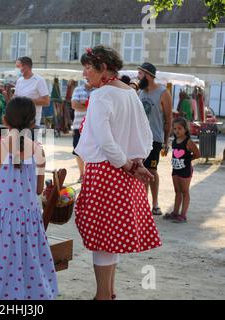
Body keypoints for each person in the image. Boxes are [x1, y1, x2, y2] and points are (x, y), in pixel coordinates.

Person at [75, 45, 161, 300]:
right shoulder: (130, 93)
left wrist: (125, 163)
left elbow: (105, 140)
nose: (84, 74)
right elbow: (146, 135)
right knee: (112, 236)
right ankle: (109, 293)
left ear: (102, 67)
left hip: (107, 171)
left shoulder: (103, 95)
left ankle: (102, 296)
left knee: (102, 237)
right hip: (127, 172)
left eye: (87, 68)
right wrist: (137, 162)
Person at [0, 97, 58, 300]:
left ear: (4, 120)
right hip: (30, 220)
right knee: (27, 265)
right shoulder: (38, 150)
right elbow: (38, 189)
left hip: (0, 220)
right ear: (32, 123)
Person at [138, 62, 173, 216]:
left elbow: (169, 117)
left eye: (140, 74)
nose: (138, 77)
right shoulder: (140, 92)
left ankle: (155, 203)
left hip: (155, 139)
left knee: (152, 170)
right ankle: (143, 204)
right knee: (140, 171)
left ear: (148, 75)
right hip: (140, 139)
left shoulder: (163, 92)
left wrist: (166, 141)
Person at [164, 118, 200, 223]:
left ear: (185, 129)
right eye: (175, 129)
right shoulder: (174, 141)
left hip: (185, 171)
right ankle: (175, 213)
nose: (176, 131)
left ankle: (183, 215)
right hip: (175, 169)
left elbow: (198, 154)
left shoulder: (188, 142)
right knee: (177, 191)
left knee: (185, 192)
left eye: (179, 128)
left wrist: (188, 160)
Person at [14, 57, 50, 128]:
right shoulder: (19, 80)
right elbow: (16, 98)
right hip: (18, 121)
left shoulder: (39, 80)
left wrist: (26, 101)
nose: (16, 69)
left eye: (18, 67)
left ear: (26, 67)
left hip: (32, 122)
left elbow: (46, 101)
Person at [71, 81, 94, 183]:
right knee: (78, 151)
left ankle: (89, 175)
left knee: (92, 151)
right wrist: (90, 105)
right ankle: (82, 174)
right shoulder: (77, 89)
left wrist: (83, 103)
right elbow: (74, 105)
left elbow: (78, 104)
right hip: (78, 125)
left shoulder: (98, 90)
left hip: (93, 127)